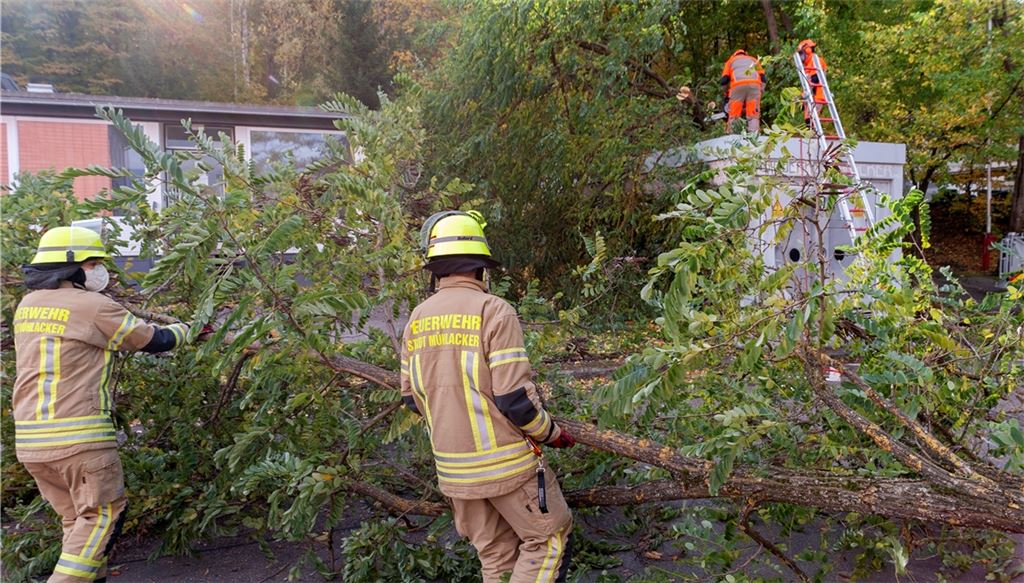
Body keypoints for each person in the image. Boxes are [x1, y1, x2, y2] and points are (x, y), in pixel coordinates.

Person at [401, 211, 576, 583]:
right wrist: (552, 434)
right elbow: (515, 401)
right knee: (549, 539)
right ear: (482, 268)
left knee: (496, 557)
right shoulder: (494, 310)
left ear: (436, 269)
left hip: (452, 470)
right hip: (506, 467)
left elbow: (412, 400)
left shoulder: (416, 319)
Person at [13, 226, 193, 583]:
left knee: (77, 522)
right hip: (78, 438)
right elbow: (152, 340)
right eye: (93, 262)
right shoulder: (93, 306)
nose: (98, 269)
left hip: (32, 442)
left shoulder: (28, 306)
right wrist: (188, 329)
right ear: (73, 266)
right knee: (103, 514)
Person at [720, 49, 766, 133]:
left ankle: (732, 134)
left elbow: (724, 80)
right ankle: (754, 134)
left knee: (734, 114)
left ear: (734, 55)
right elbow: (763, 77)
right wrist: (761, 91)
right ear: (745, 54)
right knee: (753, 115)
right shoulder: (754, 60)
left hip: (737, 86)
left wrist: (726, 93)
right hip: (754, 85)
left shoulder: (731, 61)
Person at [797, 39, 828, 125]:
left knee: (813, 120)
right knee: (807, 118)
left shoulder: (816, 60)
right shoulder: (808, 65)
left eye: (801, 53)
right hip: (811, 95)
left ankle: (814, 135)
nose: (800, 56)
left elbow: (815, 79)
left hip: (818, 94)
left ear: (807, 50)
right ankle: (810, 135)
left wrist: (805, 94)